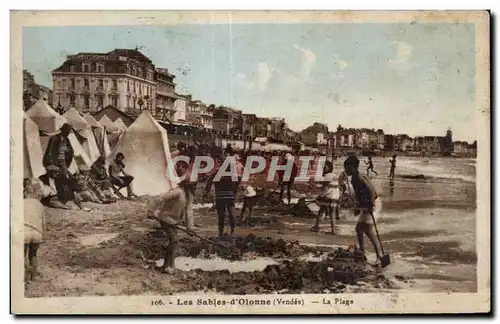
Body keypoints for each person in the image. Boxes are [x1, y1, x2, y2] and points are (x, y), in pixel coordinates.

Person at [147, 161, 194, 274]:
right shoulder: (177, 192)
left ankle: (166, 265)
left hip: (175, 221)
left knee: (173, 243)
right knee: (175, 242)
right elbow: (158, 198)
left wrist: (190, 228)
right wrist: (151, 210)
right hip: (166, 219)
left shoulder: (189, 196)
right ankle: (170, 267)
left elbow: (189, 212)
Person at [344, 154, 383, 263]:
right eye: (345, 167)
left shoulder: (360, 177)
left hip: (373, 203)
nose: (346, 170)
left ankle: (379, 257)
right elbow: (359, 194)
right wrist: (358, 206)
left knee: (369, 231)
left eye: (347, 167)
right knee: (359, 229)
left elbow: (370, 189)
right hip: (366, 205)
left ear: (353, 167)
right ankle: (362, 252)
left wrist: (371, 205)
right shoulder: (354, 179)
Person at [203, 148, 237, 237]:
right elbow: (236, 184)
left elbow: (210, 182)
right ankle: (232, 232)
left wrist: (206, 192)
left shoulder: (218, 172)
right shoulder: (231, 173)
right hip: (228, 196)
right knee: (231, 215)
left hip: (221, 197)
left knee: (222, 216)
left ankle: (221, 234)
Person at [24, 178, 46, 281]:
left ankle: (25, 275)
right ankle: (34, 276)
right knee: (33, 255)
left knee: (23, 254)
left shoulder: (21, 203)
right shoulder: (40, 205)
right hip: (37, 233)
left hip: (25, 231)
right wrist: (43, 234)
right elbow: (43, 223)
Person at [310, 160, 337, 234]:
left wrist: (319, 195)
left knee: (321, 211)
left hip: (328, 196)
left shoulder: (328, 176)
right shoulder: (334, 175)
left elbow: (324, 186)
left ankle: (316, 227)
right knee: (332, 213)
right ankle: (333, 230)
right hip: (335, 196)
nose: (323, 169)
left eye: (324, 167)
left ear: (329, 167)